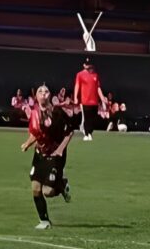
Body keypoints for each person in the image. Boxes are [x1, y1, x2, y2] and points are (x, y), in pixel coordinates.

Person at [20, 84, 74, 230]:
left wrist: (60, 150)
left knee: (48, 192)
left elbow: (69, 132)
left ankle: (61, 185)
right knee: (35, 189)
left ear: (50, 95)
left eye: (46, 91)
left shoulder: (57, 112)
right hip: (40, 154)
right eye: (40, 91)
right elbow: (35, 134)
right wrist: (27, 143)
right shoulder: (34, 114)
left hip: (55, 154)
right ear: (36, 96)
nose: (43, 93)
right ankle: (44, 221)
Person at [74, 57, 107, 141]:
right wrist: (75, 97)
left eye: (89, 64)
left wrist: (102, 98)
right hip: (85, 101)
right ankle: (86, 134)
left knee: (93, 118)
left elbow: (98, 88)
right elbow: (77, 86)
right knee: (86, 117)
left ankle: (90, 133)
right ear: (84, 65)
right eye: (87, 64)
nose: (88, 66)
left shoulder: (95, 75)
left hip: (94, 101)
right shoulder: (80, 74)